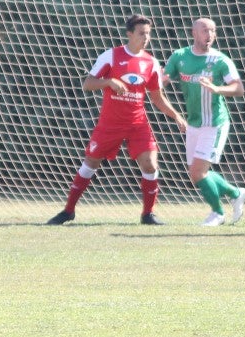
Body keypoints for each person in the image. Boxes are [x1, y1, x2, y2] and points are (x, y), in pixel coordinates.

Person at [47, 14, 187, 226]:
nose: (146, 38)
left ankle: (148, 214)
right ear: (129, 34)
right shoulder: (111, 56)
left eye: (148, 34)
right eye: (141, 33)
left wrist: (176, 116)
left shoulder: (151, 62)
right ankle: (68, 211)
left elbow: (157, 97)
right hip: (110, 124)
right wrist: (109, 82)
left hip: (137, 123)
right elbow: (88, 84)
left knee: (150, 165)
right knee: (90, 163)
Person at [164, 18, 245, 226]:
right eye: (204, 30)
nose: (209, 34)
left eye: (212, 30)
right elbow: (162, 80)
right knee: (196, 175)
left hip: (215, 123)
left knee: (198, 172)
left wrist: (218, 89)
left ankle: (218, 214)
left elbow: (238, 88)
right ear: (193, 33)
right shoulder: (179, 56)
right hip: (194, 123)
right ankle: (235, 193)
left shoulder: (221, 60)